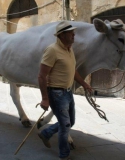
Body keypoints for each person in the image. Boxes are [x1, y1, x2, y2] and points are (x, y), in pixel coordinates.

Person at [37, 20, 92, 160]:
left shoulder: (69, 49)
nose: (74, 35)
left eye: (73, 33)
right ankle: (64, 155)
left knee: (70, 122)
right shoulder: (52, 50)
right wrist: (45, 98)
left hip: (68, 92)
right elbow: (42, 76)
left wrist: (84, 84)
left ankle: (46, 133)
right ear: (61, 35)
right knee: (65, 125)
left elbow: (73, 71)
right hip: (56, 93)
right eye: (70, 33)